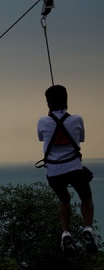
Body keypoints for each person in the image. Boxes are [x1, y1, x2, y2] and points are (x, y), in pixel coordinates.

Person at [37, 84, 97, 255]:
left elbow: (42, 137)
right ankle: (88, 228)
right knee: (86, 198)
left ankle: (66, 233)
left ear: (48, 103)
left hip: (54, 172)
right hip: (75, 169)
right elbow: (81, 139)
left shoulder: (42, 121)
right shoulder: (77, 120)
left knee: (64, 199)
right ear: (66, 101)